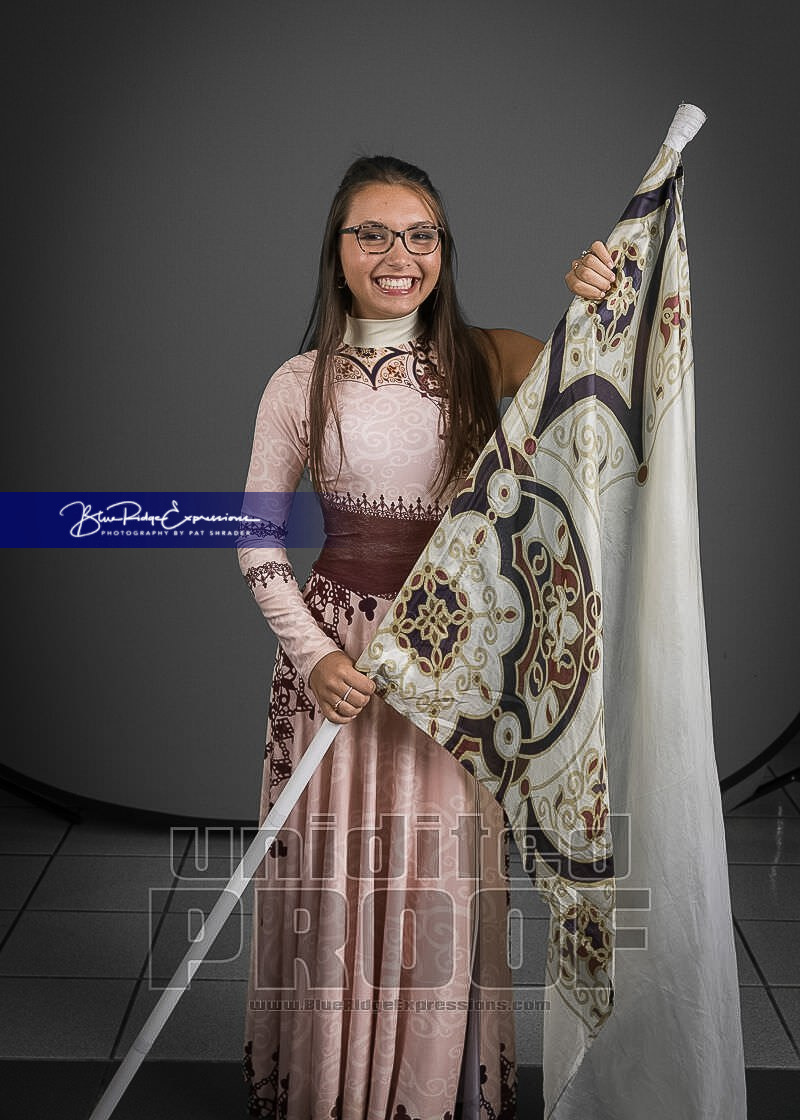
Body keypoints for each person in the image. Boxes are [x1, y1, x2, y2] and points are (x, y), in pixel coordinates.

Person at [237, 154, 612, 1120]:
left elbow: (596, 376)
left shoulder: (491, 359)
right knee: (335, 884)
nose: (397, 254)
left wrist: (599, 293)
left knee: (436, 884)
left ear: (444, 250)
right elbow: (256, 539)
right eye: (371, 233)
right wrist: (315, 655)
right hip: (335, 658)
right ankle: (332, 1092)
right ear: (337, 250)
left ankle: (429, 1093)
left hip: (449, 668)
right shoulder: (298, 383)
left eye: (419, 235)